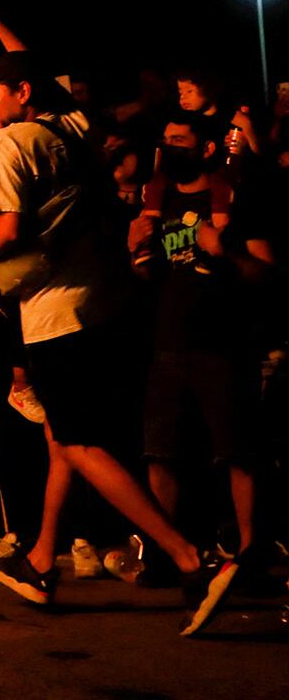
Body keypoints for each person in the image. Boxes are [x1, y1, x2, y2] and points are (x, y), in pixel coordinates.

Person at [0, 51, 239, 634]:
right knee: (62, 437)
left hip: (57, 312)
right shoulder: (70, 128)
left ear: (21, 92)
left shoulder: (9, 144)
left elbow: (5, 228)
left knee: (80, 443)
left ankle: (191, 560)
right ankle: (39, 562)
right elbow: (32, 69)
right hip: (104, 298)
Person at [131, 113, 269, 572]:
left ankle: (251, 551)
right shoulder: (159, 198)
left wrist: (223, 251)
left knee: (237, 452)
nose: (170, 147)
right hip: (166, 342)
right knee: (161, 451)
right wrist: (135, 252)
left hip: (222, 344)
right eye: (166, 139)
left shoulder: (232, 196)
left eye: (180, 140)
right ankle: (166, 552)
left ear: (206, 148)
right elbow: (146, 275)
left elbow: (264, 274)